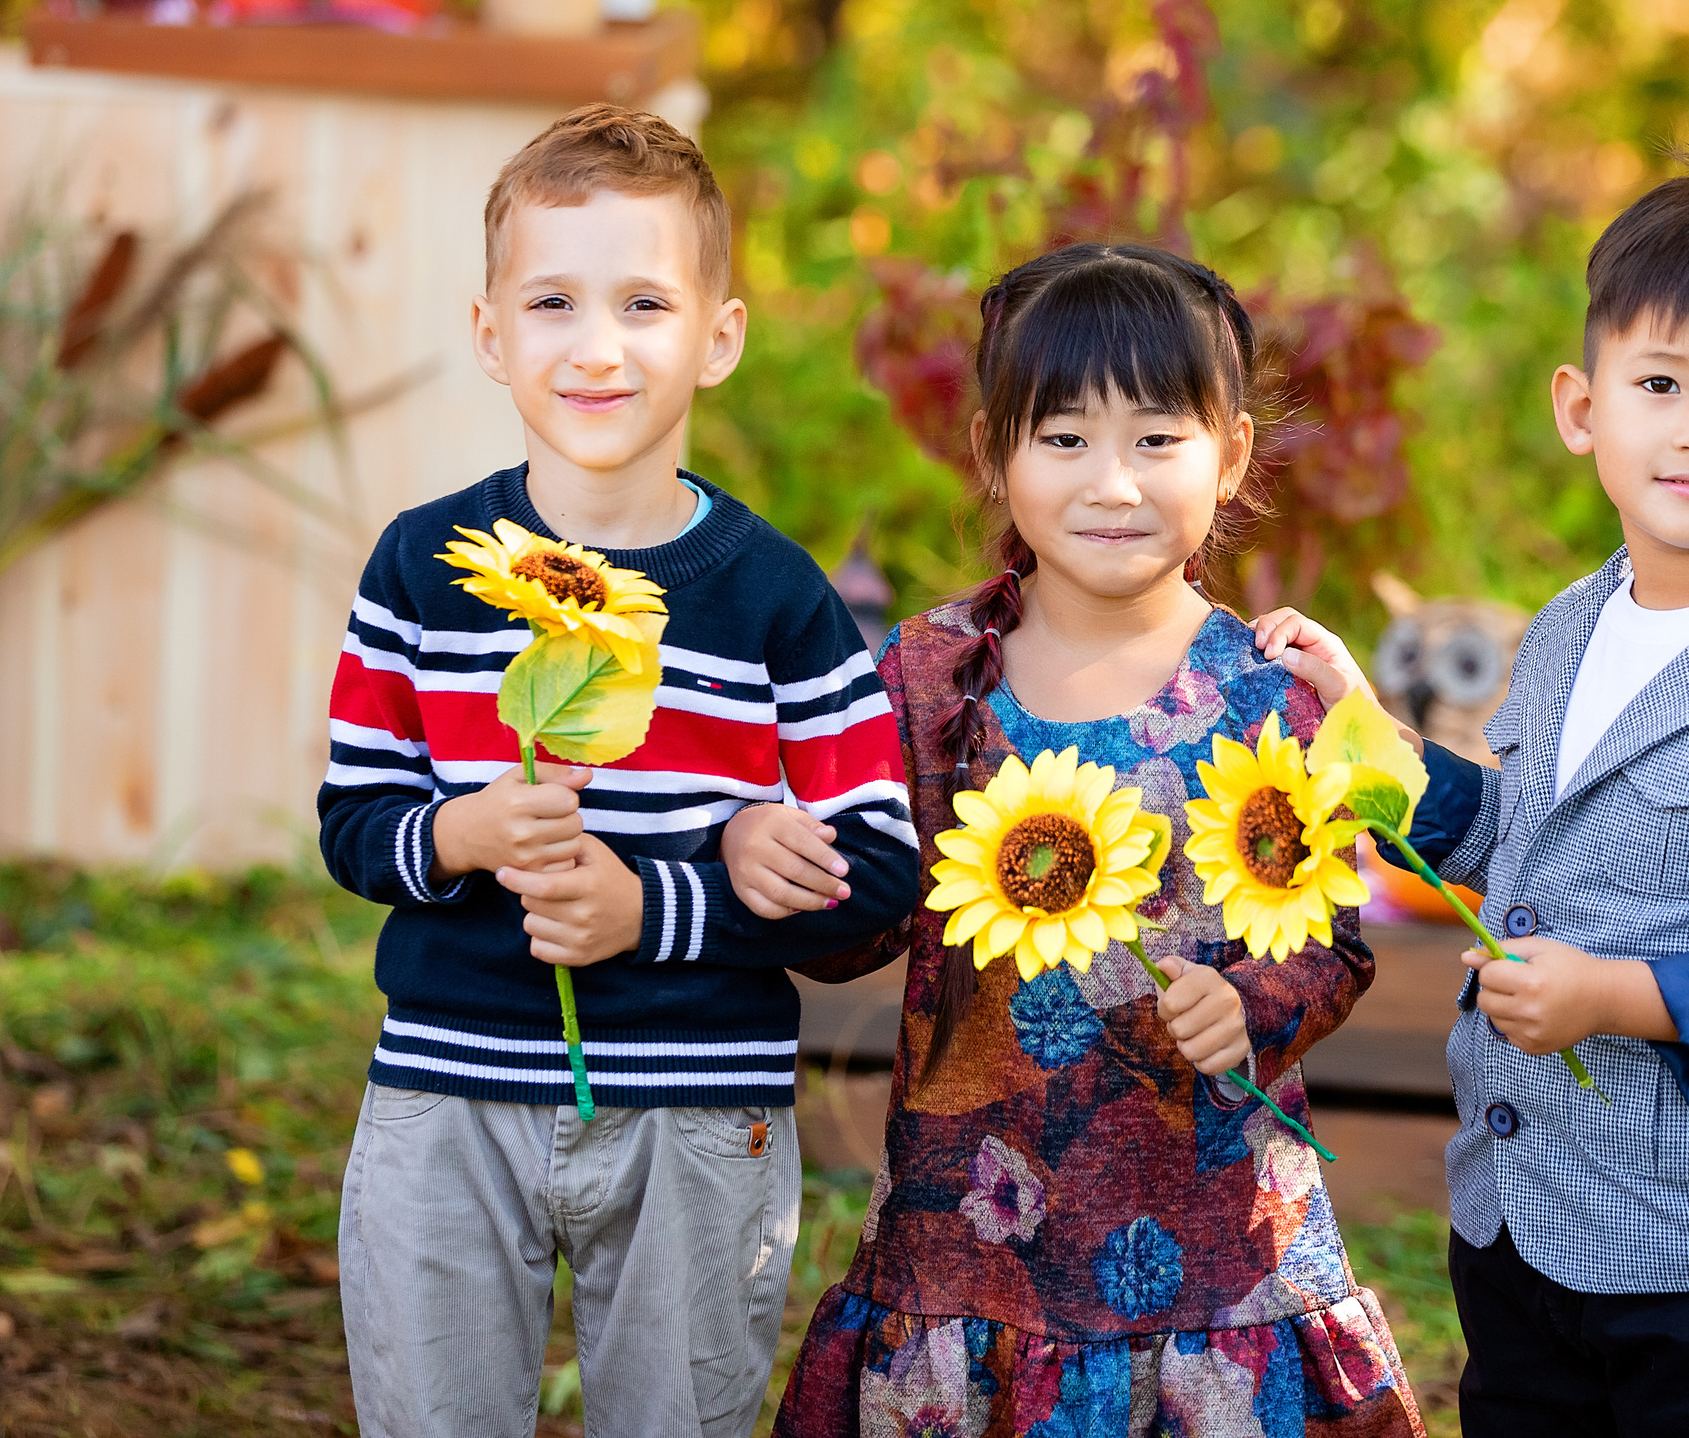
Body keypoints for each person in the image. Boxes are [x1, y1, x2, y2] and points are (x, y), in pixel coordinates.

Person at [1265, 164, 1689, 1437]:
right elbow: (1520, 839)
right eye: (1661, 384)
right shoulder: (1574, 623)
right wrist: (1361, 733)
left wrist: (1611, 998)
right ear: (1583, 407)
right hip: (1523, 1215)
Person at [728, 243, 1424, 1438]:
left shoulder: (1266, 693)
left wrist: (1252, 1003)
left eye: (1157, 439)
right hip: (974, 1232)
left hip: (1215, 1238)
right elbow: (860, 921)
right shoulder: (927, 674)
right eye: (1064, 439)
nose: (1112, 483)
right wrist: (773, 858)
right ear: (997, 452)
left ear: (1233, 455)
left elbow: (1337, 943)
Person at [317, 104, 919, 1438]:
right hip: (448, 1083)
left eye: (644, 301)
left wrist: (660, 905)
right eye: (551, 301)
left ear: (718, 337)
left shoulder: (775, 599)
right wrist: (464, 829)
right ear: (490, 333)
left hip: (697, 1103)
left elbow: (880, 870)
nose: (596, 345)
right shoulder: (421, 569)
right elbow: (355, 821)